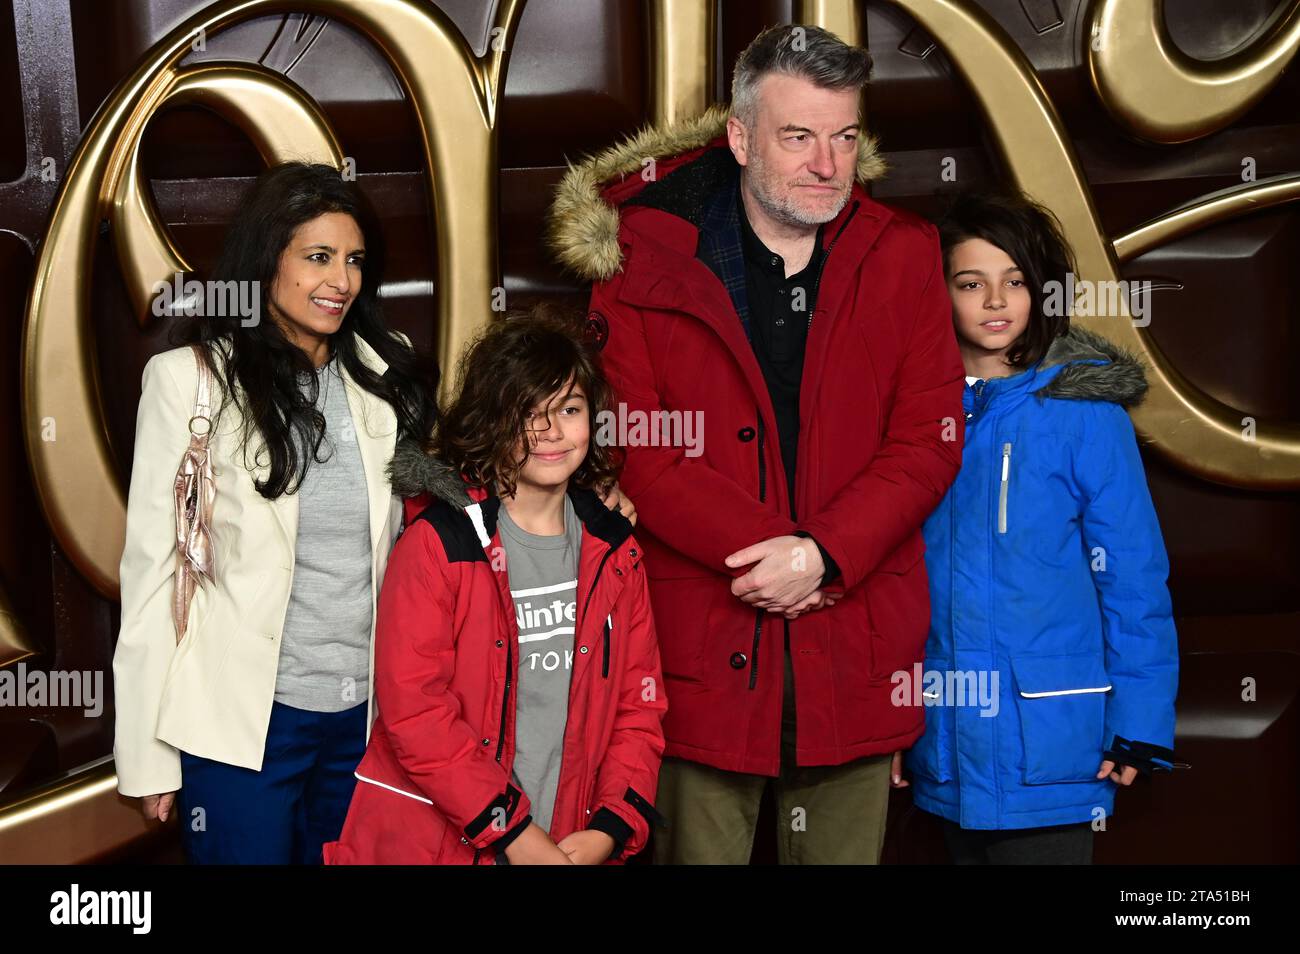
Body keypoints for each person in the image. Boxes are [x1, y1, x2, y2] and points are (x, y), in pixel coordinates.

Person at [113, 162, 641, 864]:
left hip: (366, 722)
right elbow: (153, 571)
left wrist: (591, 497)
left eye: (355, 261)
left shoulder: (381, 369)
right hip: (240, 723)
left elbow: (468, 479)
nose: (342, 281)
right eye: (319, 258)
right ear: (265, 261)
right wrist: (147, 754)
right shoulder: (188, 382)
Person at [547, 25, 964, 864]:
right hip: (703, 643)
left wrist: (823, 556)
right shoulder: (642, 258)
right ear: (739, 139)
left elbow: (928, 438)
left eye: (845, 137)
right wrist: (772, 557)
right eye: (799, 137)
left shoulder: (906, 254)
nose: (828, 164)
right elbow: (639, 444)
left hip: (854, 638)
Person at [323, 310, 667, 865]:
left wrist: (610, 825)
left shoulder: (615, 551)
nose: (551, 432)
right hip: (447, 841)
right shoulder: (440, 542)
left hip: (570, 836)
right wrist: (514, 834)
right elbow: (417, 714)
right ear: (489, 422)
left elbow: (639, 708)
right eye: (527, 413)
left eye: (570, 410)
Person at [902, 190, 1181, 864]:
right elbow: (887, 582)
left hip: (1055, 745)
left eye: (1015, 281)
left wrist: (1139, 726)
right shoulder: (911, 417)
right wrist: (888, 728)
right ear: (938, 293)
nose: (995, 301)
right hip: (943, 745)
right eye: (971, 283)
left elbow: (1134, 578)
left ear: (1042, 289)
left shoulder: (1082, 411)